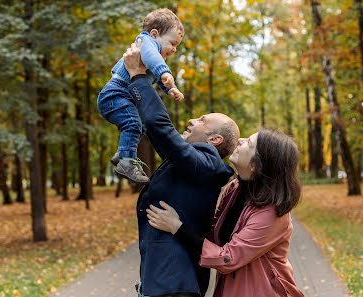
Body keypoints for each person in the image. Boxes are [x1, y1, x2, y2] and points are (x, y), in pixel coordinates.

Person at [123, 40, 240, 296]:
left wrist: (138, 77)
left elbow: (160, 127)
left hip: (176, 288)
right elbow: (159, 133)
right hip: (163, 285)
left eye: (202, 120)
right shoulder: (190, 164)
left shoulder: (206, 164)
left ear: (215, 140)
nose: (191, 120)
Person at [147, 128, 305, 297]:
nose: (240, 140)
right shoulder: (234, 188)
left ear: (257, 164)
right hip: (231, 287)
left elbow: (228, 257)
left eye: (249, 143)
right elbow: (214, 233)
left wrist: (177, 228)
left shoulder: (272, 214)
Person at [97, 8, 185, 185]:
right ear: (155, 34)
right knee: (133, 123)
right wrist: (165, 72)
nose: (174, 49)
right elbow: (154, 60)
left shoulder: (155, 55)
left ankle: (123, 152)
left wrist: (171, 89)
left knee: (142, 123)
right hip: (115, 94)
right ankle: (126, 163)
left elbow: (156, 72)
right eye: (172, 43)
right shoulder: (145, 42)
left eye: (177, 46)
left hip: (124, 97)